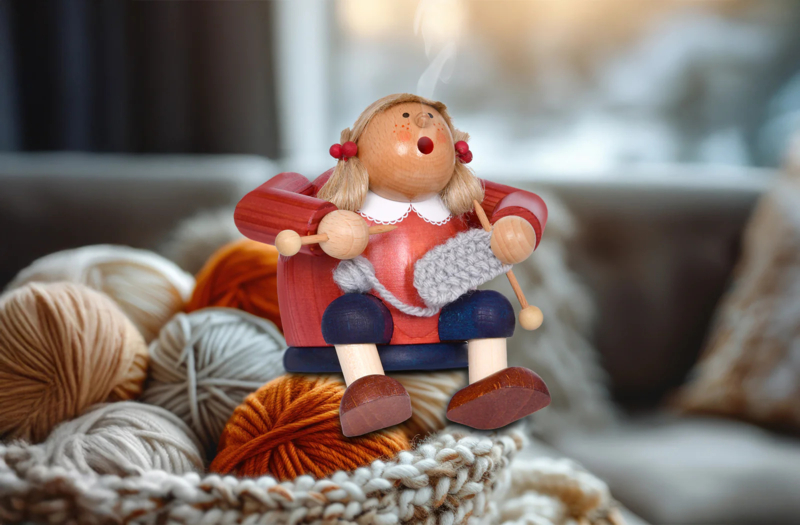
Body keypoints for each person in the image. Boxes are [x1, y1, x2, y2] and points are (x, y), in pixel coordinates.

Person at [235, 93, 550, 436]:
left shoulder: (460, 195)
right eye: (406, 117)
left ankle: (487, 390)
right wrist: (320, 223)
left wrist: (517, 223)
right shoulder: (327, 191)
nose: (423, 122)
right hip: (348, 331)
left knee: (489, 310)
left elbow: (522, 201)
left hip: (444, 323)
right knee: (352, 317)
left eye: (432, 119)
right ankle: (368, 391)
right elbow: (254, 209)